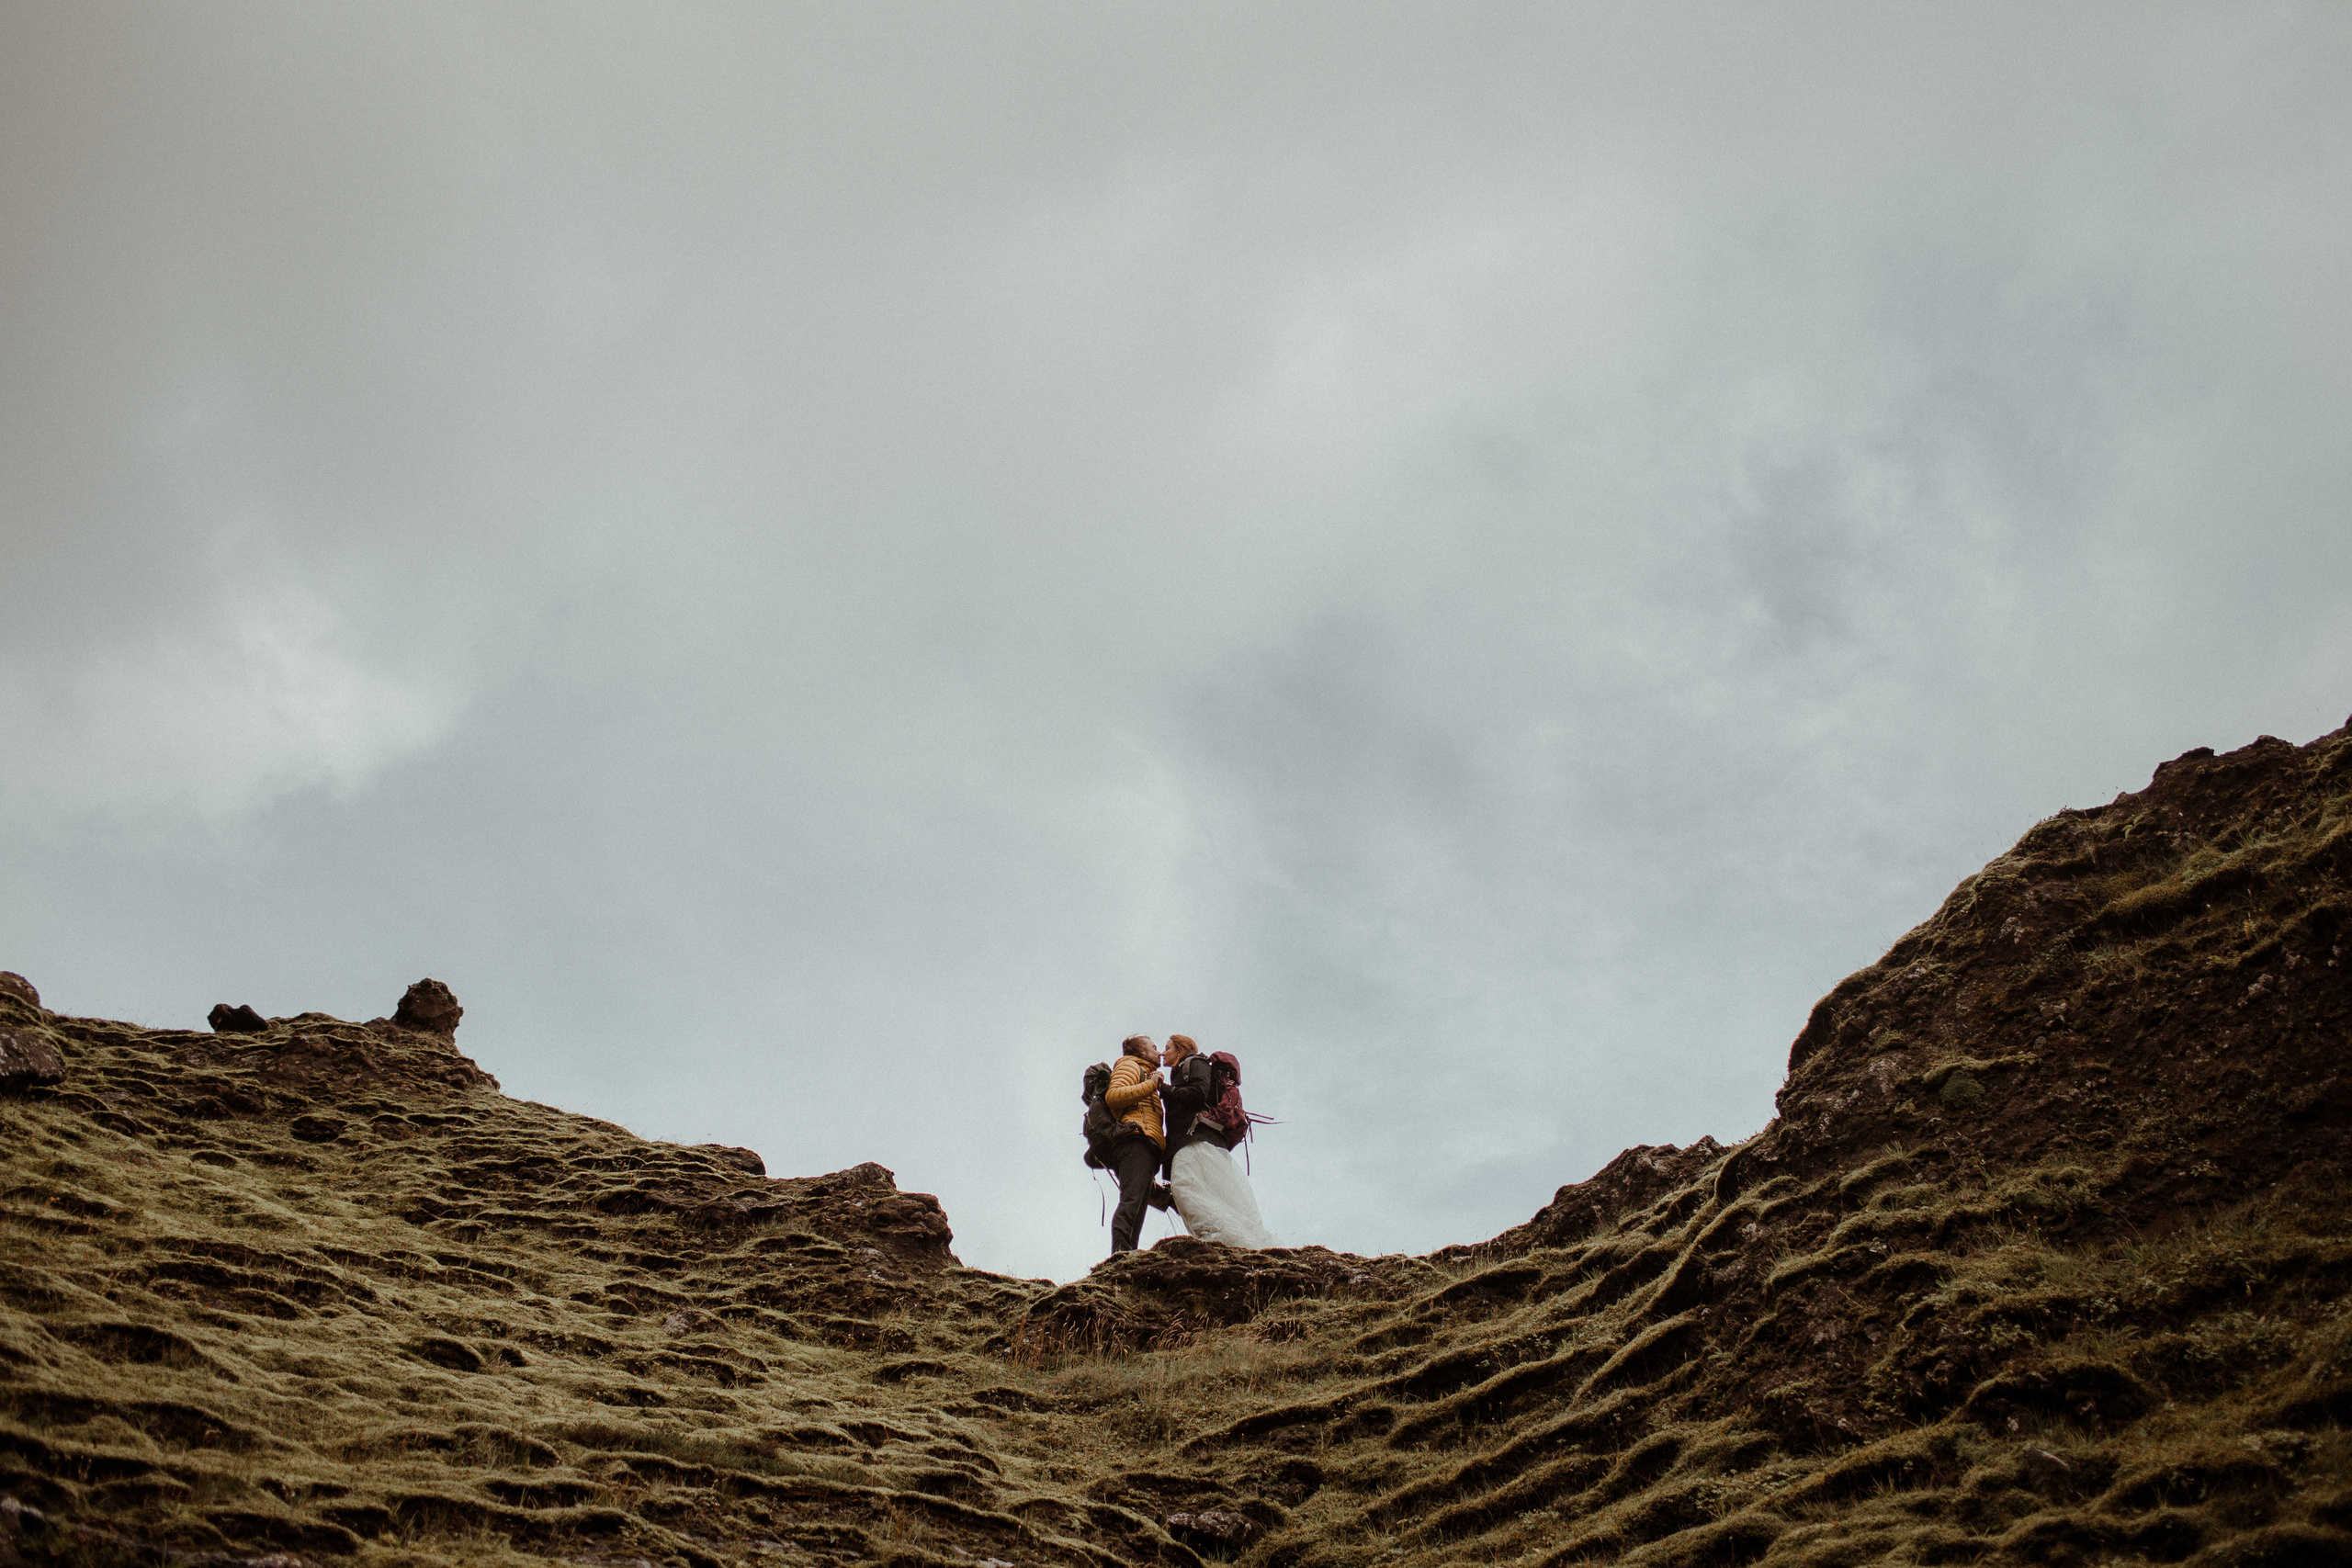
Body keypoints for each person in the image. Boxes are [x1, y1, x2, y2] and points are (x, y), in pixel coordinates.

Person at [1159, 1034, 1279, 1249]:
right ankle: (1240, 1241)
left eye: (1167, 1048)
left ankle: (1225, 1239)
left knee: (1185, 1187)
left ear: (1181, 1049)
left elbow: (1198, 1094)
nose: (1162, 1052)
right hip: (1197, 1141)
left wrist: (1164, 1089)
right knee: (1213, 1193)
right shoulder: (1185, 1068)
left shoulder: (1195, 1062)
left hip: (1195, 1141)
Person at [1103, 1034, 1170, 1255]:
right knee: (1131, 1201)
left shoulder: (1145, 1072)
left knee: (1139, 1206)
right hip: (1134, 1140)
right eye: (1153, 1047)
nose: (1159, 1052)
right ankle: (1120, 1253)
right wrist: (1150, 1085)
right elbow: (1113, 1097)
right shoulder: (1130, 1066)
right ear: (1141, 1052)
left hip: (1146, 1143)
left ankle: (1128, 1255)